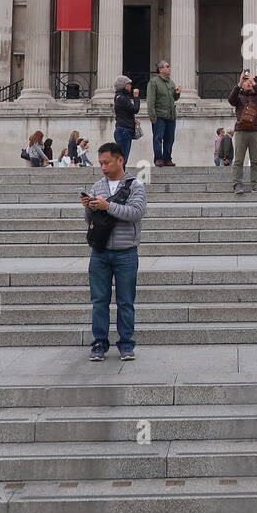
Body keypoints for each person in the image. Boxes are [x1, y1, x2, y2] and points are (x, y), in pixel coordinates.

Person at [82, 141, 148, 361]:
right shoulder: (97, 186)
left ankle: (126, 343)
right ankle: (99, 343)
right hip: (99, 251)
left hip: (125, 251)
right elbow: (90, 222)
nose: (103, 167)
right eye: (100, 163)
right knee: (99, 300)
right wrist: (89, 208)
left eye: (106, 162)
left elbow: (136, 213)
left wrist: (107, 206)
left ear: (120, 160)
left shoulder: (135, 185)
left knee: (125, 301)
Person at [228, 71, 257, 193]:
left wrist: (255, 83)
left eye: (249, 81)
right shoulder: (239, 96)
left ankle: (255, 184)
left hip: (255, 130)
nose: (248, 83)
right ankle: (237, 184)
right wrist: (239, 83)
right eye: (246, 82)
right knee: (239, 159)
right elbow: (231, 100)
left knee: (255, 160)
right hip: (241, 130)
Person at [146, 59, 181, 166]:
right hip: (159, 115)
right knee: (158, 137)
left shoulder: (171, 82)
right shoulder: (154, 82)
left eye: (169, 66)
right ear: (160, 69)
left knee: (170, 138)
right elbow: (151, 100)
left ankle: (167, 158)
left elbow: (174, 98)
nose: (169, 68)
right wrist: (152, 115)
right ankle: (158, 159)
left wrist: (177, 94)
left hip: (171, 115)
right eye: (167, 66)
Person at [112, 75, 140, 163]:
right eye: (128, 84)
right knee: (122, 159)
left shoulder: (120, 97)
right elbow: (135, 109)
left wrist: (132, 120)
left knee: (122, 158)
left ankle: (120, 176)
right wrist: (136, 97)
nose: (130, 86)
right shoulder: (122, 98)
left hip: (123, 130)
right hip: (124, 131)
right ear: (123, 85)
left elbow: (124, 113)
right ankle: (119, 176)